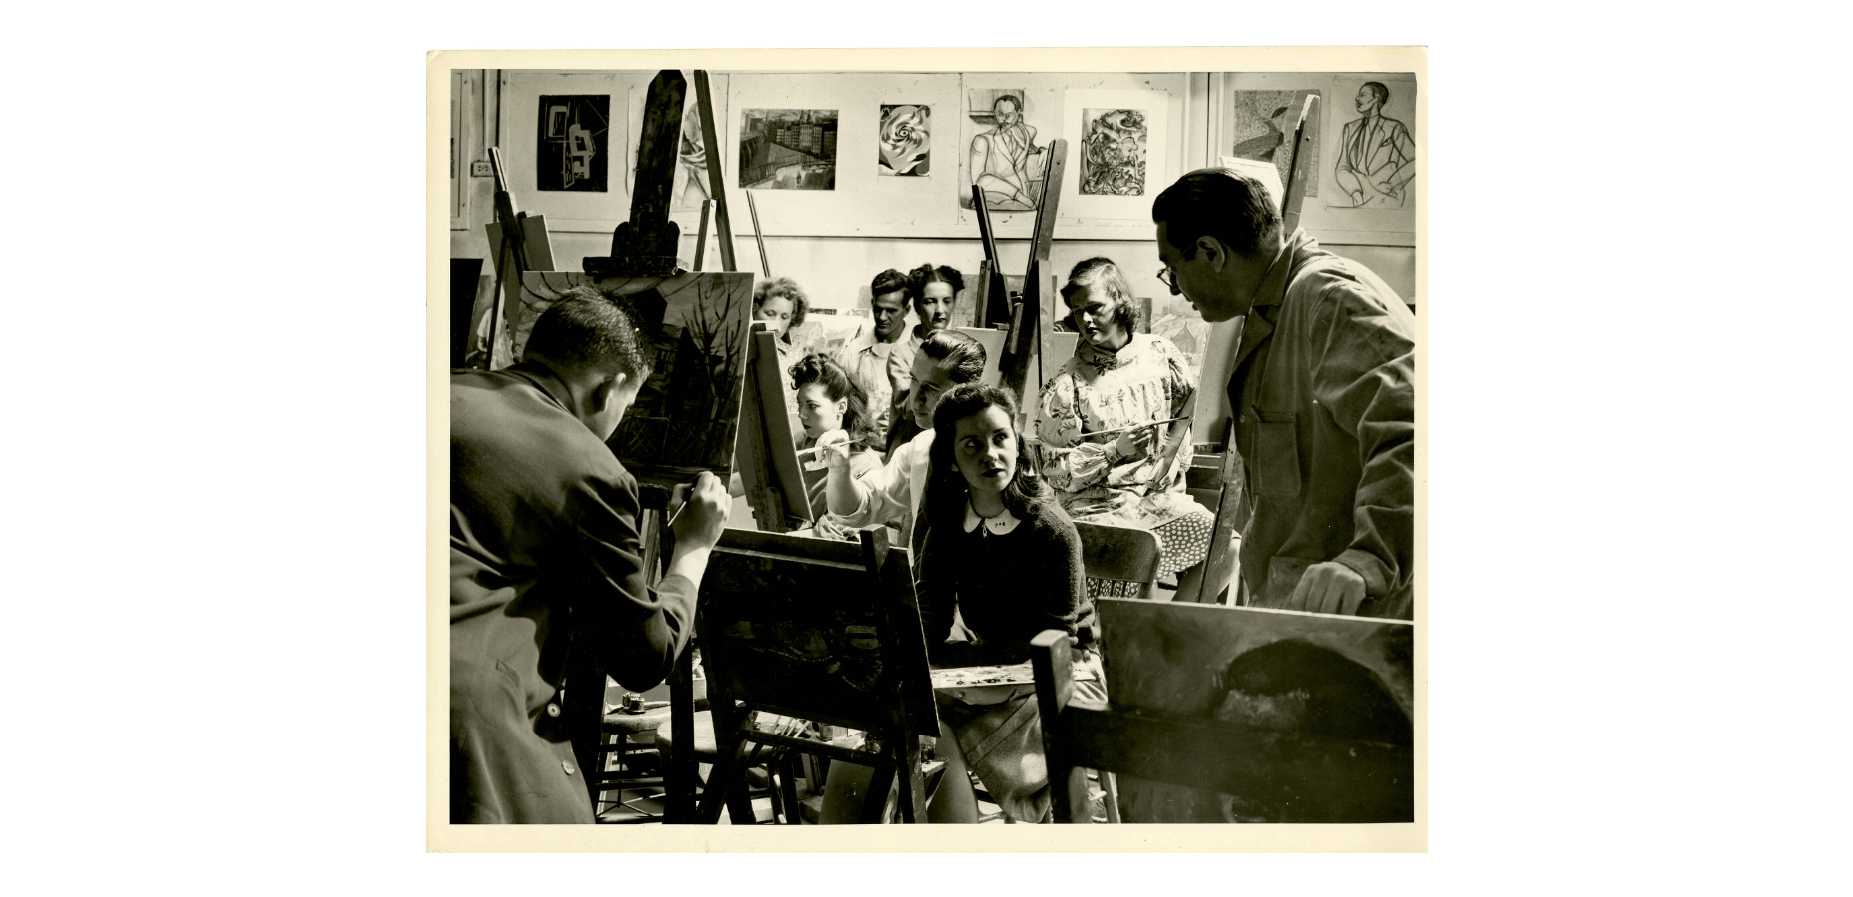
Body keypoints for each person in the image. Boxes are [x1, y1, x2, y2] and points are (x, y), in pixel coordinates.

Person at [450, 287, 729, 823]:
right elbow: (643, 657)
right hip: (465, 719)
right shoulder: (588, 467)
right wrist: (692, 549)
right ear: (610, 388)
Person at [1152, 168, 1415, 619]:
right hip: (1307, 610)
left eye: (1173, 271)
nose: (1177, 290)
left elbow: (1418, 429)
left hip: (1359, 615)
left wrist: (1370, 558)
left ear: (1211, 252)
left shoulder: (1328, 298)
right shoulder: (1278, 307)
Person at [914, 383, 1104, 823]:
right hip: (992, 660)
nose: (990, 454)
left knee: (942, 725)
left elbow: (1059, 634)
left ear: (1017, 441)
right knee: (918, 713)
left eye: (1000, 438)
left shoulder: (1051, 529)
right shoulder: (946, 525)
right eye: (972, 444)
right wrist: (924, 665)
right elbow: (930, 614)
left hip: (1063, 670)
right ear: (951, 456)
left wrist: (986, 686)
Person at [1036, 257, 1221, 601]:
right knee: (1133, 571)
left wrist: (1168, 452)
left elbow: (1190, 400)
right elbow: (1053, 470)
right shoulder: (1068, 381)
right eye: (1078, 312)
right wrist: (1113, 452)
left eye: (1094, 307)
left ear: (1120, 301)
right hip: (1099, 511)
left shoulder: (1158, 351)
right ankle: (1137, 628)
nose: (1086, 320)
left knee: (1224, 545)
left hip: (1154, 502)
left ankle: (1169, 629)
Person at [814, 329, 987, 547]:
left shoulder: (994, 454)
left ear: (965, 391)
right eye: (914, 380)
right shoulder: (921, 449)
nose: (916, 398)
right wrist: (840, 470)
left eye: (932, 388)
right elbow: (857, 510)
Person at [884, 263, 967, 456]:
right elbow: (911, 409)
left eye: (947, 301)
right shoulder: (901, 354)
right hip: (907, 456)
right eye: (930, 301)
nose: (940, 310)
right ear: (918, 307)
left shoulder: (960, 350)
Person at [788, 352, 883, 521]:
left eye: (812, 406)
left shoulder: (866, 464)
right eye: (800, 404)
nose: (802, 414)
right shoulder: (801, 442)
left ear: (841, 407)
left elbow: (834, 532)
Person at [832, 269, 912, 444]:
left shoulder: (918, 350)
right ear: (872, 303)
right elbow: (838, 400)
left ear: (906, 310)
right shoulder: (854, 350)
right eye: (878, 309)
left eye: (891, 310)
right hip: (863, 444)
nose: (882, 317)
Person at [1333, 81, 1415, 209]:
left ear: (1376, 99)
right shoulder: (1350, 128)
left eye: (1362, 95)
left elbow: (1417, 161)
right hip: (1360, 197)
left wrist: (1391, 184)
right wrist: (1356, 193)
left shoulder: (1394, 127)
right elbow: (1342, 167)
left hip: (1387, 196)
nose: (1357, 98)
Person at [968, 94, 1042, 210]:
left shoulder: (1028, 133)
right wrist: (1018, 195)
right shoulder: (982, 140)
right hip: (993, 200)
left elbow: (1028, 150)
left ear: (1019, 112)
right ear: (994, 112)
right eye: (1000, 114)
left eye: (1009, 115)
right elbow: (978, 180)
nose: (1004, 119)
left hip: (1024, 201)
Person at [752, 276, 809, 408]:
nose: (776, 323)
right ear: (755, 310)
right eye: (770, 313)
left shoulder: (796, 359)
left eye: (784, 317)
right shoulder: (735, 348)